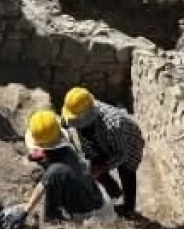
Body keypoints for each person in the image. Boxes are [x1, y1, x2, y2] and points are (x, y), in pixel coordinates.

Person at [0, 110, 106, 229]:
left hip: (93, 217)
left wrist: (22, 217)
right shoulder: (68, 150)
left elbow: (52, 220)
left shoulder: (55, 173)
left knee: (59, 221)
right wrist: (26, 209)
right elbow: (45, 182)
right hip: (97, 199)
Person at [61, 87, 146, 218]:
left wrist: (102, 167)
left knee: (127, 173)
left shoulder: (115, 124)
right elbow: (66, 123)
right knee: (94, 167)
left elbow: (121, 154)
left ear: (87, 116)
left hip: (127, 145)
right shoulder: (76, 110)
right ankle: (115, 193)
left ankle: (128, 208)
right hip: (102, 139)